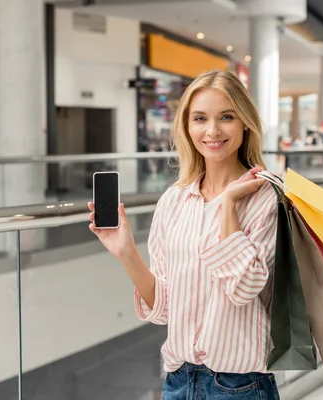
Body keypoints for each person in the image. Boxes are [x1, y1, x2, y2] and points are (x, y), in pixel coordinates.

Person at [88, 70, 280, 399]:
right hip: (178, 381)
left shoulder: (264, 196)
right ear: (187, 127)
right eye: (200, 118)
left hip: (239, 385)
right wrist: (127, 253)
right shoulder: (174, 201)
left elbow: (244, 287)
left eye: (227, 117)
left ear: (245, 123)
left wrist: (230, 203)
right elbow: (163, 309)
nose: (212, 130)